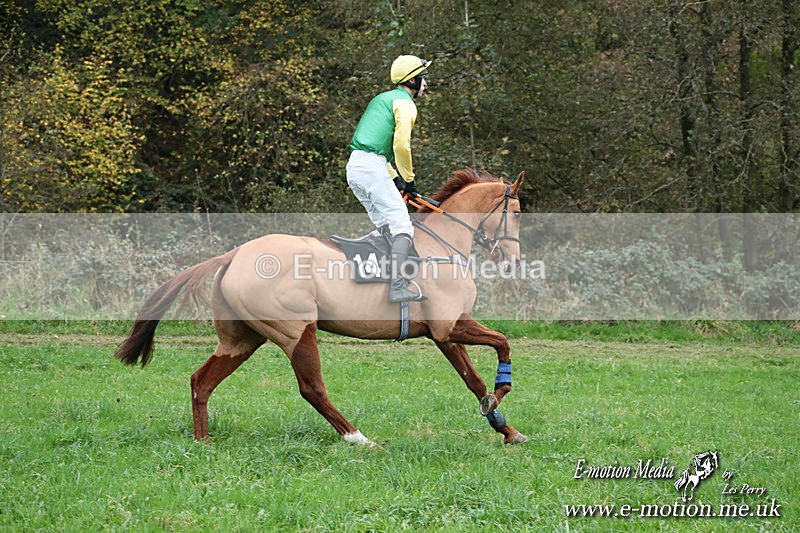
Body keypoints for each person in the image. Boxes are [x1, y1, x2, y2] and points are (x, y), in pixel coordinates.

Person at [347, 55, 431, 303]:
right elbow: (401, 146)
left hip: (356, 167)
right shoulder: (405, 103)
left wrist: (395, 180)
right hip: (373, 169)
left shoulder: (381, 98)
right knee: (403, 227)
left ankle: (378, 278)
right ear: (413, 80)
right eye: (423, 78)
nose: (426, 83)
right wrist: (409, 181)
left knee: (386, 225)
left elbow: (374, 146)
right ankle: (397, 287)